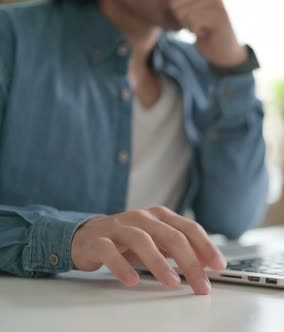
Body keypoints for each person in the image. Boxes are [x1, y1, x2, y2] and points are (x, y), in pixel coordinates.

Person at [0, 0, 269, 295]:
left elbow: (232, 220)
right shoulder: (11, 38)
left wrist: (232, 68)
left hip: (154, 307)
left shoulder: (199, 70)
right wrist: (70, 238)